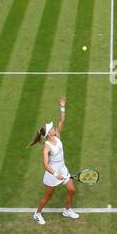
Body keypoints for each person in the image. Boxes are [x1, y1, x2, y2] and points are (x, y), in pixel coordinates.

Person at [30, 95, 78, 225]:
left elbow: (61, 121)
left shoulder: (57, 134)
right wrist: (56, 174)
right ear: (48, 134)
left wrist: (62, 106)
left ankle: (67, 210)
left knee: (72, 190)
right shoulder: (46, 147)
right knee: (48, 196)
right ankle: (37, 213)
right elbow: (45, 165)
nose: (52, 128)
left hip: (63, 168)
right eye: (50, 128)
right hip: (53, 174)